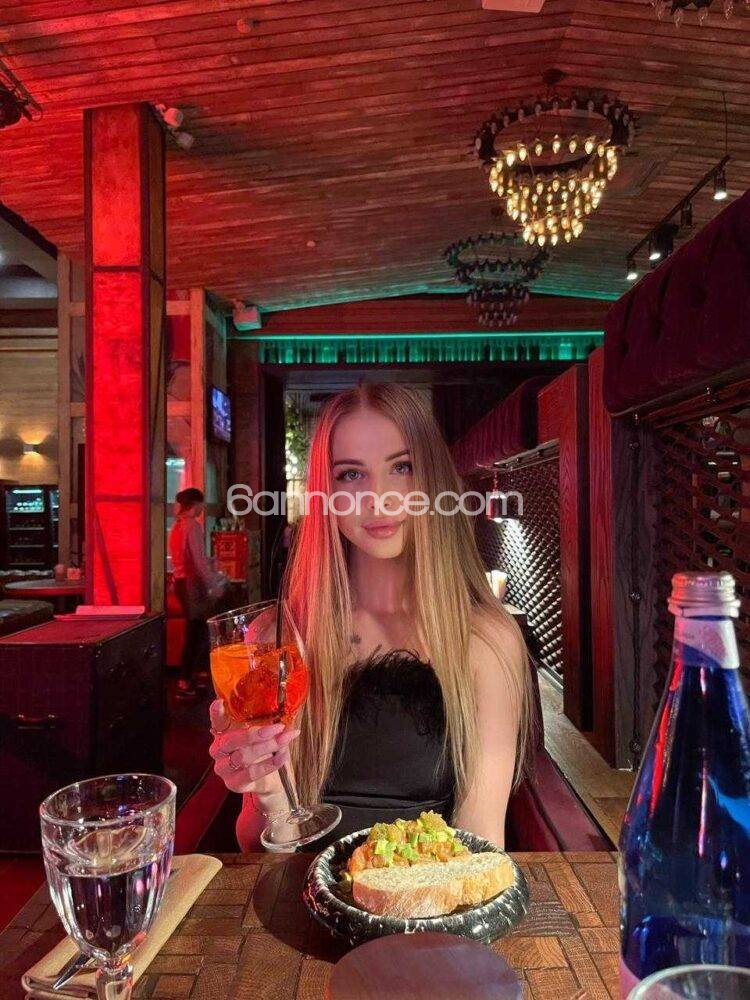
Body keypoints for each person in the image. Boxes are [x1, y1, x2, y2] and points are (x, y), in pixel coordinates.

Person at [209, 384, 533, 850]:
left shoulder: (485, 638)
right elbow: (256, 845)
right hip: (303, 891)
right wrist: (267, 795)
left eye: (402, 467)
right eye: (350, 475)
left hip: (432, 894)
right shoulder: (276, 638)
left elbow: (481, 844)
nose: (378, 497)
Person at [170, 487, 215, 699]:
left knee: (196, 630)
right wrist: (213, 583)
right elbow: (197, 561)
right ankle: (186, 680)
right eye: (201, 504)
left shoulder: (177, 526)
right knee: (197, 631)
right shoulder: (193, 526)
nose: (203, 507)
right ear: (194, 505)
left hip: (180, 582)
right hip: (191, 585)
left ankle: (193, 677)